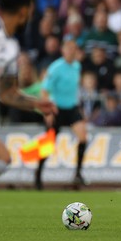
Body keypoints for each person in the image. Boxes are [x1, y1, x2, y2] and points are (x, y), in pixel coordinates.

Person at [0, 0, 57, 189]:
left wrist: (37, 103)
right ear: (24, 11)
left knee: (2, 159)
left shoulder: (11, 48)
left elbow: (7, 93)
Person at [36, 39, 88, 190]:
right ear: (63, 50)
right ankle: (38, 175)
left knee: (83, 138)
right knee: (48, 144)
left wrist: (80, 108)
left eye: (74, 48)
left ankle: (78, 174)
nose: (72, 51)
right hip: (56, 109)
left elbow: (74, 89)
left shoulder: (77, 66)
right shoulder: (56, 68)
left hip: (72, 108)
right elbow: (44, 90)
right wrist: (47, 111)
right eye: (69, 48)